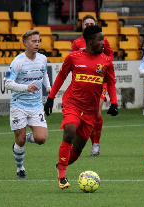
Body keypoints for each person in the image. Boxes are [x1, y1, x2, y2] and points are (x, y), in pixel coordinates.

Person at [44, 25, 118, 189]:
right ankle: (62, 175)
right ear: (90, 41)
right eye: (100, 39)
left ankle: (60, 165)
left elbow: (111, 83)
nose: (103, 43)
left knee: (77, 150)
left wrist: (114, 102)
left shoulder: (106, 62)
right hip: (73, 103)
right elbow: (61, 76)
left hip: (91, 111)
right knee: (70, 130)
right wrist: (50, 98)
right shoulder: (73, 57)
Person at [4, 29, 51, 178]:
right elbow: (7, 83)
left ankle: (26, 136)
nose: (37, 44)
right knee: (20, 140)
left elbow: (44, 73)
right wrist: (26, 88)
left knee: (41, 139)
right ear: (25, 43)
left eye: (38, 41)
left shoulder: (43, 59)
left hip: (36, 105)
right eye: (33, 41)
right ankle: (20, 168)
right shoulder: (18, 62)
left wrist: (48, 86)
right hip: (19, 105)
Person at [72, 14, 114, 156]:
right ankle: (79, 139)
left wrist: (100, 65)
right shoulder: (77, 43)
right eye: (86, 24)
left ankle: (95, 143)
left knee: (96, 111)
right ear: (82, 26)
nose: (89, 26)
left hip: (99, 82)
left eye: (91, 24)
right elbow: (75, 62)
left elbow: (109, 57)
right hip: (84, 82)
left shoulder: (103, 41)